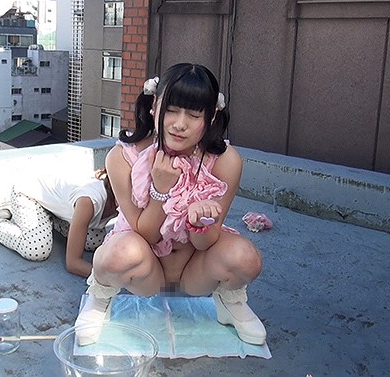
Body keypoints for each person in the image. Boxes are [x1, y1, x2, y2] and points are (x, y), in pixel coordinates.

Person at [74, 63, 266, 346]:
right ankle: (100, 298)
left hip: (194, 269)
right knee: (117, 254)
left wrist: (200, 222)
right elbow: (145, 235)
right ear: (154, 106)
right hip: (146, 270)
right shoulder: (123, 158)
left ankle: (230, 302)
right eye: (172, 110)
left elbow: (207, 242)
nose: (179, 124)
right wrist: (160, 191)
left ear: (211, 116)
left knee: (246, 259)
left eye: (194, 115)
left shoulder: (225, 161)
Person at [0, 168, 118, 278]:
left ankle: (48, 219)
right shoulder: (89, 201)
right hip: (28, 195)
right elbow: (73, 263)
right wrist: (113, 279)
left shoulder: (120, 200)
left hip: (57, 206)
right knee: (37, 249)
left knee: (94, 241)